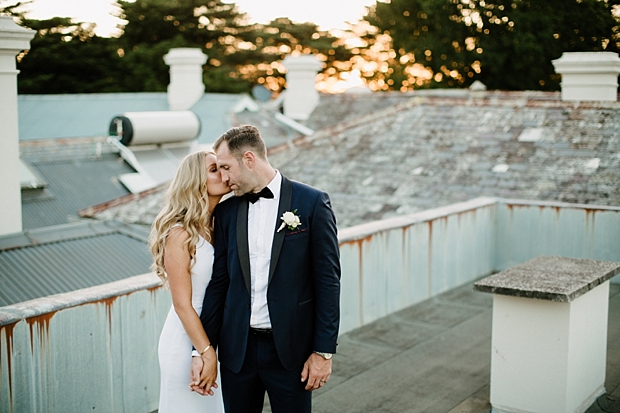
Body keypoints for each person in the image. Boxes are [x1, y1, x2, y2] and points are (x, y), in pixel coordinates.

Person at [191, 125, 341, 413]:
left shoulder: (311, 203)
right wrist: (202, 350)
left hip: (291, 352)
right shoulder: (226, 212)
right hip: (237, 352)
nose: (223, 178)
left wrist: (323, 352)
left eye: (226, 167)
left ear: (249, 159)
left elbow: (328, 281)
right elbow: (219, 284)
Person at [149, 151, 230, 413]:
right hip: (185, 340)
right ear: (196, 180)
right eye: (214, 169)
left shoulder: (218, 225)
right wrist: (205, 352)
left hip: (211, 335)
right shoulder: (179, 233)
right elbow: (182, 304)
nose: (224, 173)